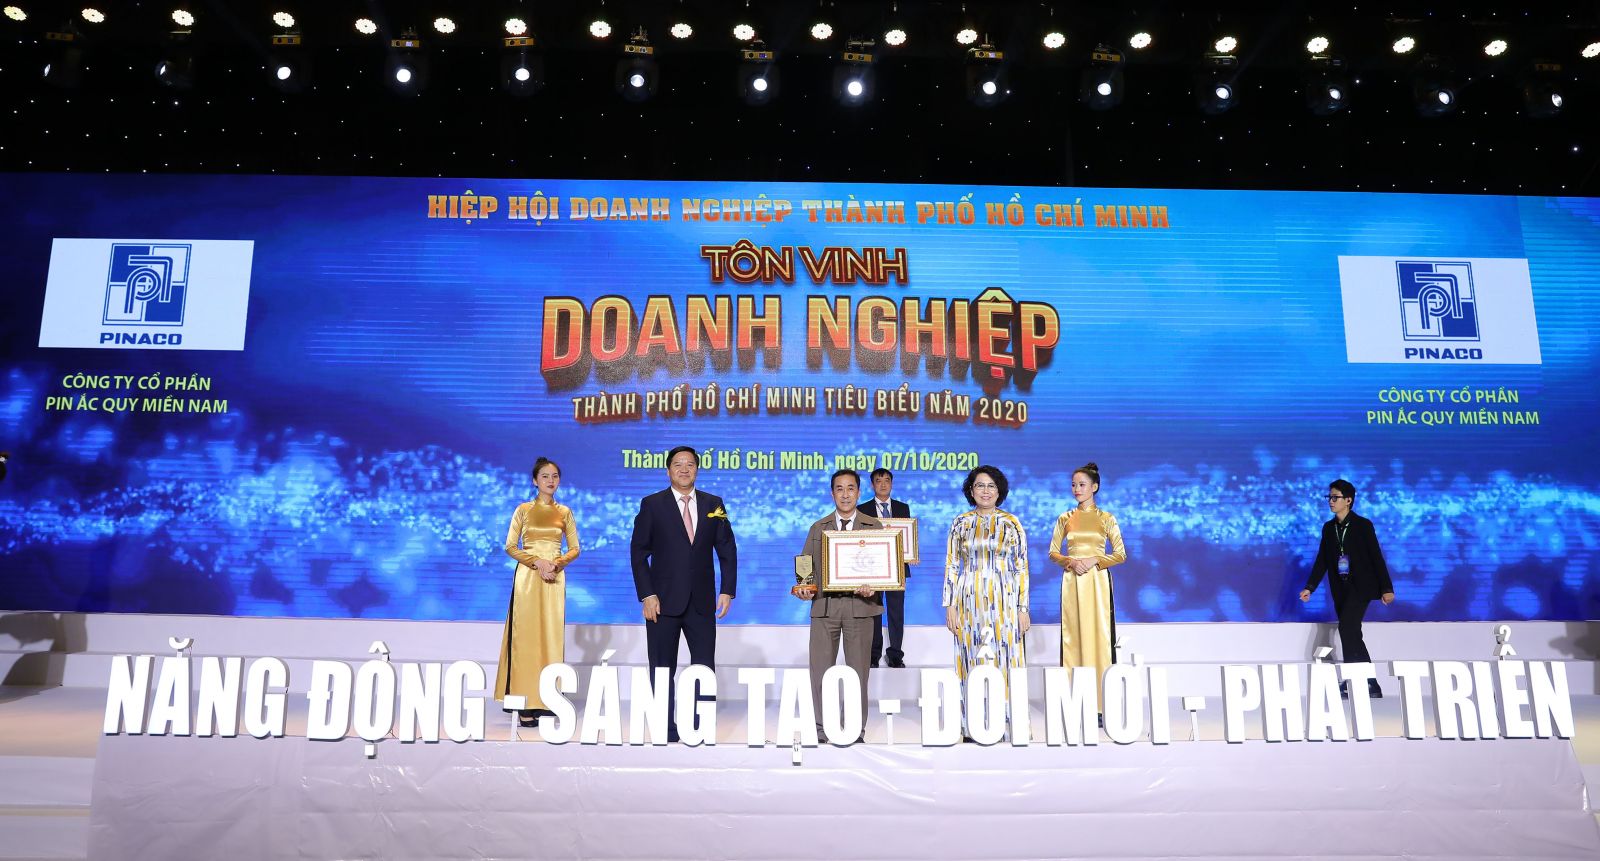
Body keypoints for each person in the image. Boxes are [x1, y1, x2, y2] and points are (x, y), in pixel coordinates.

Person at [630, 445, 737, 741]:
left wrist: (727, 590)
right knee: (662, 667)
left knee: (703, 667)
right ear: (668, 471)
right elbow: (638, 553)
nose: (684, 469)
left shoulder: (714, 503)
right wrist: (647, 594)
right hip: (662, 602)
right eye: (678, 464)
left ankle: (699, 725)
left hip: (702, 602)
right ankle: (665, 728)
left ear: (697, 470)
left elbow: (727, 548)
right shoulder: (652, 504)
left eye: (690, 464)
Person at [794, 469, 882, 743]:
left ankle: (854, 729)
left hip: (861, 607)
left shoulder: (874, 527)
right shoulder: (818, 527)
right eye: (840, 489)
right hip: (825, 606)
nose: (845, 495)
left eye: (850, 488)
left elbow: (884, 569)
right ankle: (822, 729)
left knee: (858, 672)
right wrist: (804, 587)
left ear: (859, 492)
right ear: (832, 493)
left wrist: (875, 585)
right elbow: (805, 565)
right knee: (820, 671)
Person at [943, 465, 1029, 739]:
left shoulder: (1011, 523)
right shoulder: (960, 523)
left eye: (991, 486)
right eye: (980, 485)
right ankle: (972, 724)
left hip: (1005, 598)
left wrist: (1023, 608)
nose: (986, 491)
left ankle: (1009, 722)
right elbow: (952, 564)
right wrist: (949, 604)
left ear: (999, 491)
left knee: (1006, 656)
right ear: (971, 490)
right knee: (971, 655)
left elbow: (1021, 567)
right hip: (968, 598)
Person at [495, 457, 581, 727]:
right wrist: (537, 562)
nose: (550, 480)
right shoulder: (523, 510)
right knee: (526, 639)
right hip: (528, 578)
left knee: (550, 637)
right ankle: (524, 702)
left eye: (555, 476)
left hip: (554, 578)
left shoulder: (564, 512)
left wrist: (555, 564)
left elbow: (575, 548)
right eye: (545, 476)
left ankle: (547, 699)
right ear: (535, 480)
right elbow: (510, 546)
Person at [1300, 479, 1395, 698]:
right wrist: (1310, 587)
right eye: (1329, 497)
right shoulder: (1328, 528)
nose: (1331, 501)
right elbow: (1322, 560)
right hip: (1339, 588)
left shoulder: (1363, 525)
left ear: (1349, 500)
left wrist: (1386, 588)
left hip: (1361, 587)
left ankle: (1353, 680)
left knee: (1346, 629)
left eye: (1335, 497)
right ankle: (1371, 683)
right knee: (1352, 632)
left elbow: (1376, 557)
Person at [1046, 462, 1128, 716]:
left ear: (1095, 487)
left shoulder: (1106, 519)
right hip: (1073, 580)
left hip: (1097, 581)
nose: (1077, 489)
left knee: (1099, 636)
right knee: (1073, 636)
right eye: (1073, 485)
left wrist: (1095, 559)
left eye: (1082, 485)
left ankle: (1103, 705)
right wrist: (1070, 561)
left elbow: (1120, 554)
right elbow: (1053, 552)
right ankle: (1075, 704)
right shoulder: (1065, 518)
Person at [866, 467, 911, 668]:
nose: (883, 484)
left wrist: (910, 555)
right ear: (872, 485)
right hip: (872, 569)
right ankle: (873, 655)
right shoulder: (863, 509)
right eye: (879, 480)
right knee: (874, 612)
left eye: (887, 480)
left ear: (892, 484)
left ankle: (895, 655)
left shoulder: (903, 508)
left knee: (896, 613)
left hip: (897, 569)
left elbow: (907, 538)